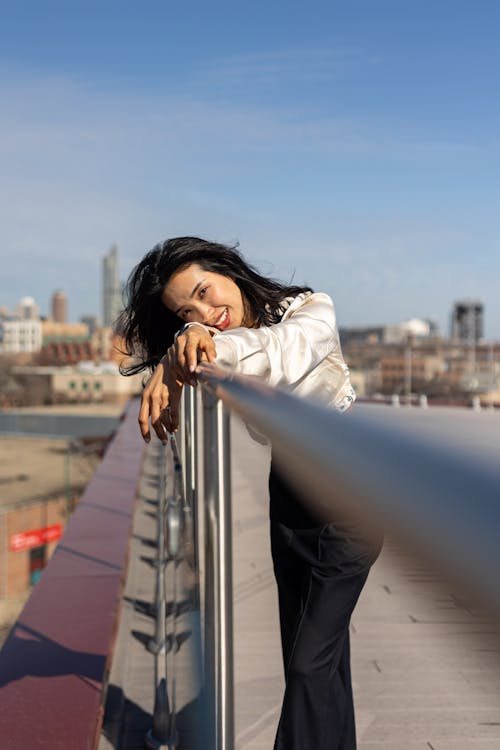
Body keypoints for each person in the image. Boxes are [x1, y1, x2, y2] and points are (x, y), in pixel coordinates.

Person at [119, 236, 381, 750]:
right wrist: (177, 361)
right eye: (185, 312)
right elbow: (223, 359)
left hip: (353, 493)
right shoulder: (216, 343)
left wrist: (195, 344)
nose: (206, 312)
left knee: (309, 666)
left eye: (205, 292)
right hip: (289, 491)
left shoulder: (311, 310)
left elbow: (279, 354)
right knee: (318, 661)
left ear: (229, 270)